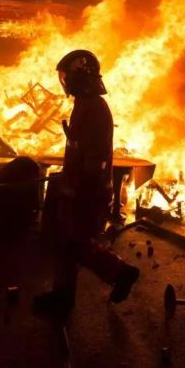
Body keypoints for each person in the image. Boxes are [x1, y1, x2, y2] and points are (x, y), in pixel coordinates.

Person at [33, 50, 139, 317]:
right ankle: (64, 296)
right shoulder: (84, 103)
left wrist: (78, 185)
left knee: (74, 243)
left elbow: (96, 155)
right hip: (81, 185)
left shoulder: (94, 108)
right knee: (69, 243)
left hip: (88, 189)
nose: (64, 81)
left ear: (82, 76)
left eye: (67, 75)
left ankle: (119, 273)